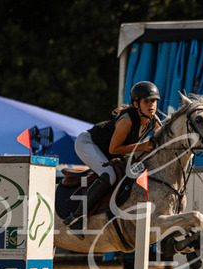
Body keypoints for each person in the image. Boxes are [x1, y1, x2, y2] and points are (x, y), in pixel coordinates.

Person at [63, 81, 161, 231]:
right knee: (109, 175)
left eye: (153, 101)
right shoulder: (127, 121)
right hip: (88, 143)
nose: (151, 105)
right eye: (146, 101)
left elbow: (164, 137)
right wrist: (143, 146)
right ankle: (76, 217)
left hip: (106, 150)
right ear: (136, 104)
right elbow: (114, 149)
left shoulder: (153, 120)